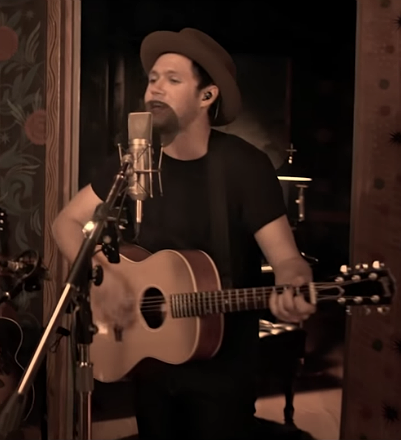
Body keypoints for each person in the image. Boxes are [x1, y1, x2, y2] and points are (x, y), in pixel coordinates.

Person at [52, 28, 316, 440]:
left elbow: (286, 259)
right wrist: (107, 279)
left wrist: (294, 283)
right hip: (151, 360)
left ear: (207, 95)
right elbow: (65, 223)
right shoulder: (134, 161)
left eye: (172, 79)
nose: (155, 88)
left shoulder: (244, 166)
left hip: (222, 370)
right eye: (153, 79)